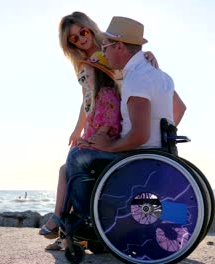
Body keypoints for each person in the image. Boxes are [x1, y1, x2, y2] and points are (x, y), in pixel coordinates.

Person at [39, 11, 159, 241]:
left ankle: (68, 227)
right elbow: (87, 101)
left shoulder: (109, 49)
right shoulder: (82, 63)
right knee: (75, 172)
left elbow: (119, 82)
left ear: (90, 27)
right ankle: (71, 233)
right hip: (95, 120)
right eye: (73, 38)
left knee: (72, 169)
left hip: (110, 121)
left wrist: (147, 56)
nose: (80, 39)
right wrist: (78, 129)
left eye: (82, 32)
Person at [65, 16, 187, 218]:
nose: (103, 52)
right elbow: (180, 109)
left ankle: (88, 222)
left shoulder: (136, 78)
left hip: (139, 154)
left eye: (106, 47)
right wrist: (160, 137)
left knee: (77, 157)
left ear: (120, 46)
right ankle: (176, 215)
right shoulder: (159, 75)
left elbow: (139, 135)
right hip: (162, 152)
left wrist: (111, 146)